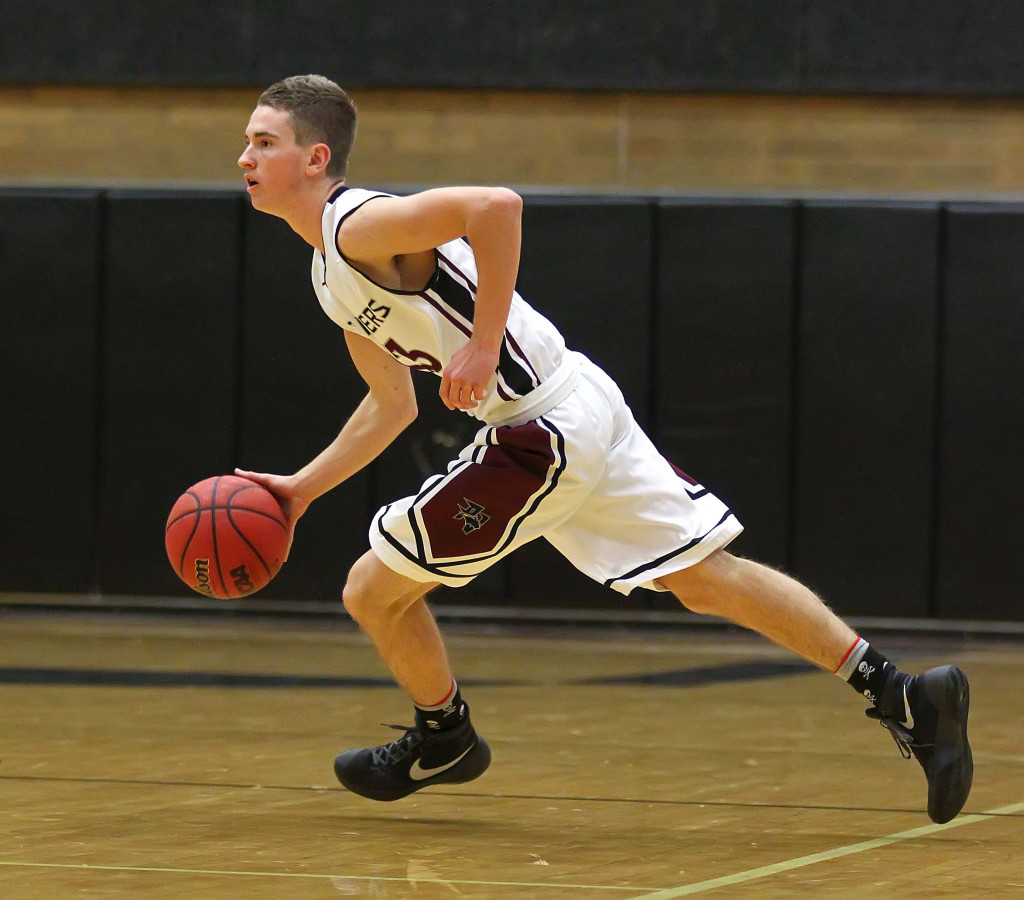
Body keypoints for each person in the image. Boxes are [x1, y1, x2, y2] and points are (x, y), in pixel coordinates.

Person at [234, 74, 972, 822]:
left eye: (265, 142)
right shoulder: (328, 275)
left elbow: (495, 207)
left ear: (317, 157)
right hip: (574, 403)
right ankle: (904, 692)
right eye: (247, 142)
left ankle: (445, 733)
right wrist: (298, 492)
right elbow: (390, 405)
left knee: (370, 590)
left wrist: (484, 344)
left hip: (539, 429)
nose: (246, 157)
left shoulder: (356, 224)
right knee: (705, 577)